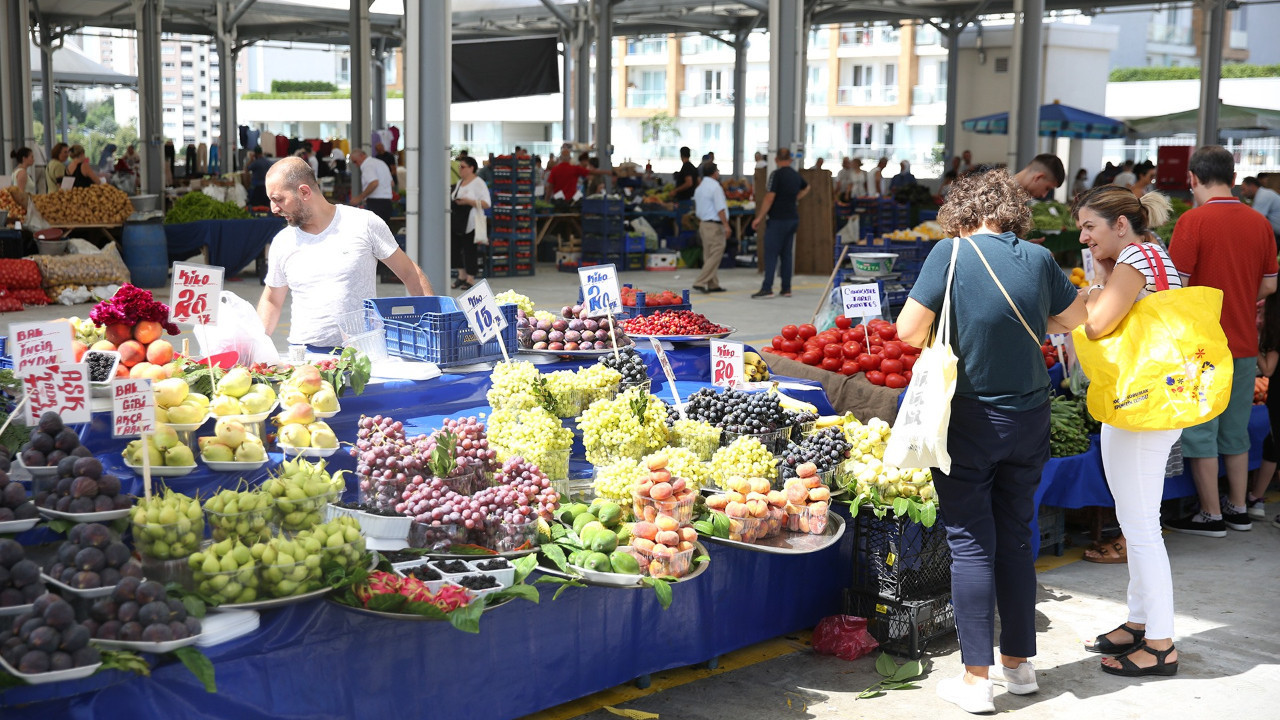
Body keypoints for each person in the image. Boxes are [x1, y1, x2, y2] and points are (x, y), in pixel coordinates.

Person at [894, 168, 1086, 714]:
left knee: (971, 544)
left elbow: (908, 332)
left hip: (969, 421)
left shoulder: (948, 256)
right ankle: (1019, 667)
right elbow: (1074, 320)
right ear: (1012, 212)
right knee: (1018, 538)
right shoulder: (1040, 259)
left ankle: (976, 681)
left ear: (963, 210)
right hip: (1029, 419)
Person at [1072, 185, 1182, 678]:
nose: (1084, 236)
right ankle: (1140, 622)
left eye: (1090, 226)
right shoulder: (1148, 254)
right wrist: (1101, 275)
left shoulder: (1137, 255)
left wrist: (1094, 287)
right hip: (1145, 403)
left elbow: (1095, 325)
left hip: (1144, 409)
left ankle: (1160, 644)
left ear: (1120, 224)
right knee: (1137, 521)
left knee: (1140, 529)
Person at [1165, 146, 1278, 536]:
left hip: (1203, 347)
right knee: (1236, 431)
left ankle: (1210, 515)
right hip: (1244, 343)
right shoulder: (1259, 223)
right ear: (1234, 179)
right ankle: (1238, 510)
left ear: (1192, 179)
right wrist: (1241, 297)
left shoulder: (1192, 222)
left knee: (1201, 432)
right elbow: (1270, 283)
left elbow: (1176, 285)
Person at [256, 157, 431, 352]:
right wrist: (254, 347)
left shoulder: (363, 223)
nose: (274, 209)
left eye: (278, 199)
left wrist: (434, 330)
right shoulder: (283, 241)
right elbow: (272, 300)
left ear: (304, 192)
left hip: (363, 355)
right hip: (306, 358)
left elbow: (410, 273)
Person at [751, 148, 809, 299]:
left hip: (777, 220)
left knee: (771, 254)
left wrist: (759, 217)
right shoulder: (795, 175)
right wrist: (795, 198)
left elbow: (769, 198)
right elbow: (807, 187)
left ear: (776, 159)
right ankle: (786, 288)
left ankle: (767, 288)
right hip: (792, 219)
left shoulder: (776, 175)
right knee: (786, 254)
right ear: (790, 159)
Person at [1248, 292, 1280, 523]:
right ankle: (1256, 497)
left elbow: (1268, 369)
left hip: (1277, 399)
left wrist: (1252, 345)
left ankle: (1256, 498)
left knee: (1274, 445)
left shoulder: (1275, 336)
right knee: (1271, 446)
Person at [450, 155, 491, 290]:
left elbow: (486, 203)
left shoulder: (478, 182)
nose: (460, 170)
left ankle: (470, 278)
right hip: (457, 221)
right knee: (455, 249)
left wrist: (469, 202)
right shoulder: (460, 182)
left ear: (471, 168)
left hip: (471, 222)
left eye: (462, 167)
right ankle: (461, 275)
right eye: (459, 167)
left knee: (469, 250)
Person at [693, 162, 730, 294]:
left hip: (703, 224)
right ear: (715, 172)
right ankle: (700, 281)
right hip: (714, 225)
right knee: (716, 253)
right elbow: (720, 208)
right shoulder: (715, 187)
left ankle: (713, 284)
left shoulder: (700, 188)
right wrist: (726, 225)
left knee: (708, 255)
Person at [349, 147, 394, 224]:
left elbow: (374, 183)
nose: (356, 165)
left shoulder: (367, 165)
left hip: (376, 203)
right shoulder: (380, 163)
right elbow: (391, 183)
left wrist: (360, 198)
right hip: (387, 203)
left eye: (355, 161)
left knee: (373, 233)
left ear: (362, 156)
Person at [1240, 176, 1280, 247]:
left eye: (1244, 189)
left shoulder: (1263, 196)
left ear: (1251, 186)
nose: (1242, 193)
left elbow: (1254, 220)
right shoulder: (1263, 194)